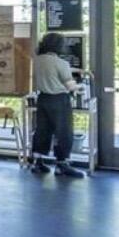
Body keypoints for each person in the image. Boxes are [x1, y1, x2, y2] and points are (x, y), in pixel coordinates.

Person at [31, 32, 84, 177]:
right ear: (59, 46)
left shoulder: (37, 60)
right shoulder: (62, 63)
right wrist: (81, 86)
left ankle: (37, 162)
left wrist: (74, 70)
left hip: (43, 99)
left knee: (42, 130)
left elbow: (51, 71)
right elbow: (70, 86)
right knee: (64, 132)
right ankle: (62, 164)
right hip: (59, 100)